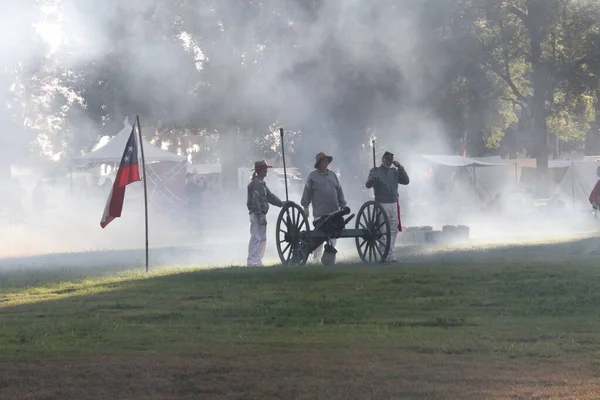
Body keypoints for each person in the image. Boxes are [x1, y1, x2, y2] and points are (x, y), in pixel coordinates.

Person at [301, 152, 347, 263]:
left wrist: (343, 203)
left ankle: (328, 258)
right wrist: (305, 206)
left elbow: (339, 190)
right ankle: (317, 259)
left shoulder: (332, 175)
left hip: (334, 212)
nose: (326, 162)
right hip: (320, 214)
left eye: (326, 160)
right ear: (319, 163)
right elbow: (307, 192)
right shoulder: (312, 176)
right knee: (320, 237)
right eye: (323, 160)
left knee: (334, 235)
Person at [365, 151, 410, 263]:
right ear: (383, 159)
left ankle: (392, 255)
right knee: (383, 231)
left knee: (393, 230)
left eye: (390, 160)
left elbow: (406, 181)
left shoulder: (394, 172)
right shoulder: (375, 171)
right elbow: (368, 185)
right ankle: (383, 255)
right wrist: (372, 178)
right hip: (382, 203)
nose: (388, 162)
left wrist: (400, 166)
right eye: (387, 160)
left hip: (393, 203)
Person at [247, 160, 286, 267]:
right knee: (256, 237)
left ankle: (258, 260)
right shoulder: (256, 184)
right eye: (265, 169)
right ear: (259, 170)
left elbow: (269, 196)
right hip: (256, 214)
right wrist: (260, 215)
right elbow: (255, 200)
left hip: (262, 214)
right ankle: (252, 261)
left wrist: (281, 203)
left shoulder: (262, 183)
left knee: (262, 238)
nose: (266, 171)